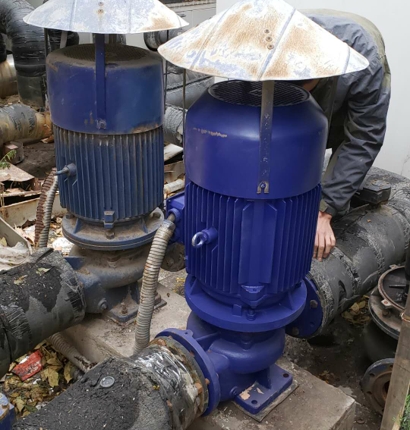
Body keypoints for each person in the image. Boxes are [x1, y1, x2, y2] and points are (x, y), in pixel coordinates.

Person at [294, 10, 391, 262]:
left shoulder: (366, 62)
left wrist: (324, 212)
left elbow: (363, 138)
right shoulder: (275, 46)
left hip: (354, 66)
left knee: (340, 137)